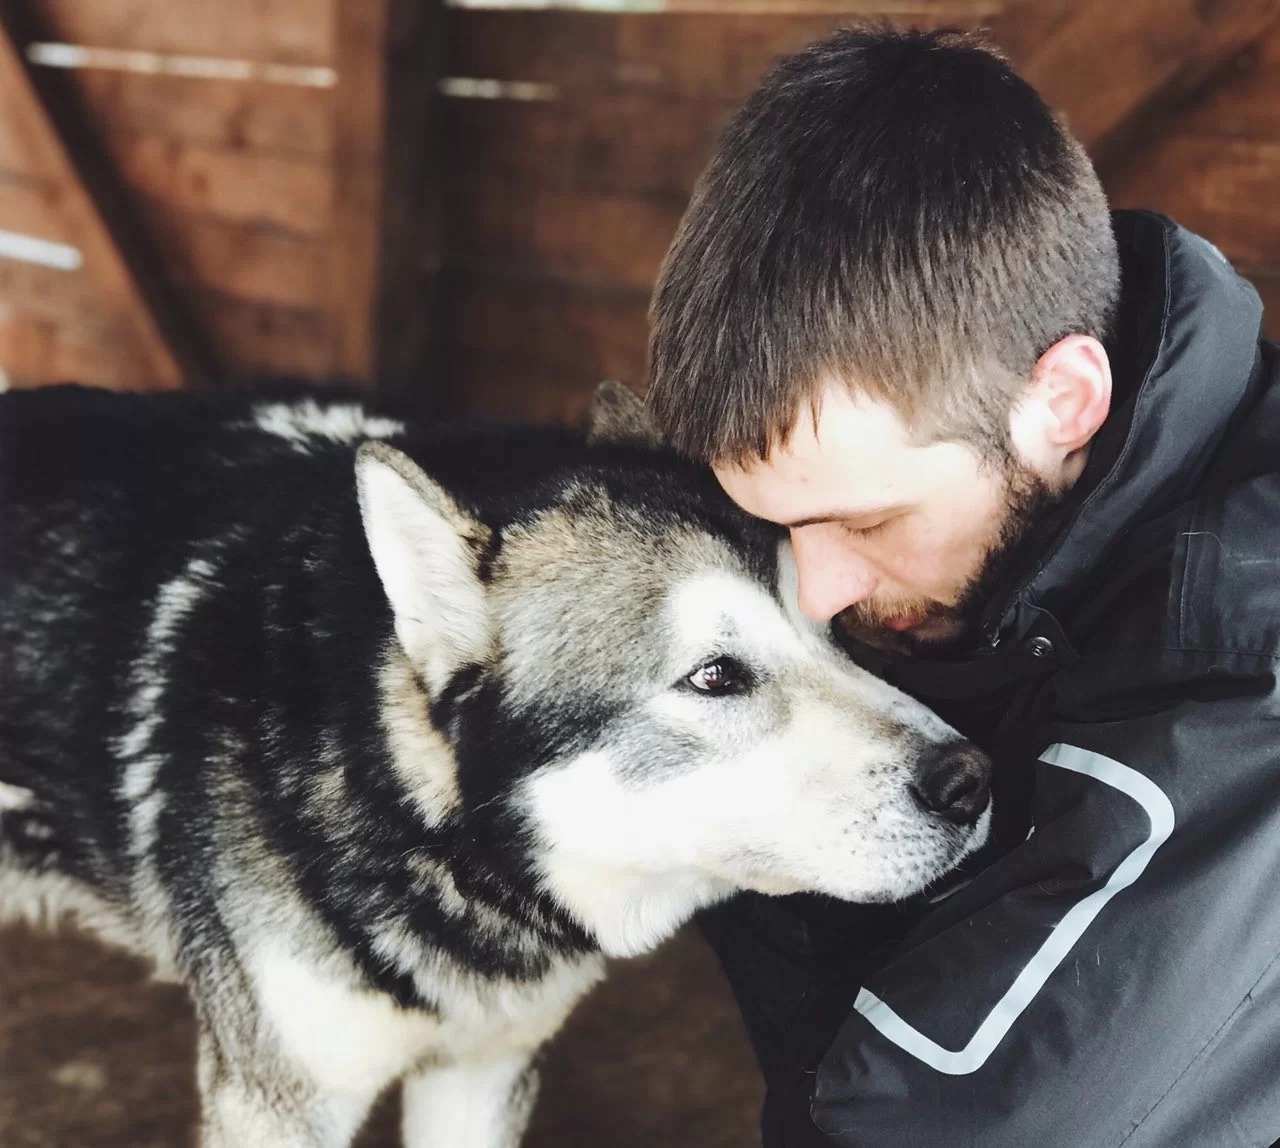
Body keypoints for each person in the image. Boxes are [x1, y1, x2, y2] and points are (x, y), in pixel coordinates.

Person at [645, 25, 1280, 1148]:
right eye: (779, 526)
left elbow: (945, 1121)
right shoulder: (971, 532)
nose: (818, 592)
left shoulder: (1242, 665)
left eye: (870, 520)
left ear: (1063, 401)